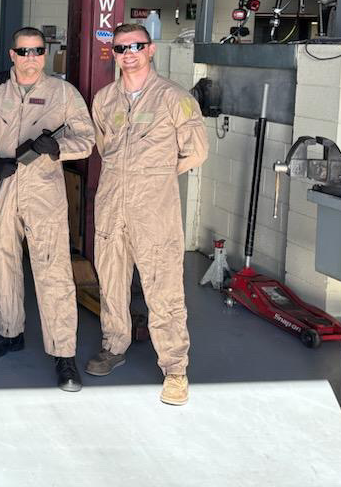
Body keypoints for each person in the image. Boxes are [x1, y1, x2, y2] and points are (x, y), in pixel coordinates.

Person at [0, 27, 95, 392]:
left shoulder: (62, 94)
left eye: (38, 51)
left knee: (52, 270)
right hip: (1, 188)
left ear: (44, 54)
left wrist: (57, 147)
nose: (32, 59)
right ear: (12, 54)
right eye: (24, 52)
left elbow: (87, 139)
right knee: (3, 263)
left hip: (43, 195)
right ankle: (9, 331)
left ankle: (64, 354)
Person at [85, 23, 209, 406]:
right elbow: (103, 146)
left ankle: (175, 368)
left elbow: (197, 151)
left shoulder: (175, 98)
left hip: (154, 209)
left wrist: (154, 177)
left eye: (136, 46)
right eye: (122, 48)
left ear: (150, 49)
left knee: (163, 287)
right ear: (115, 54)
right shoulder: (104, 100)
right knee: (111, 280)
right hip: (111, 205)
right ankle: (114, 346)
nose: (129, 53)